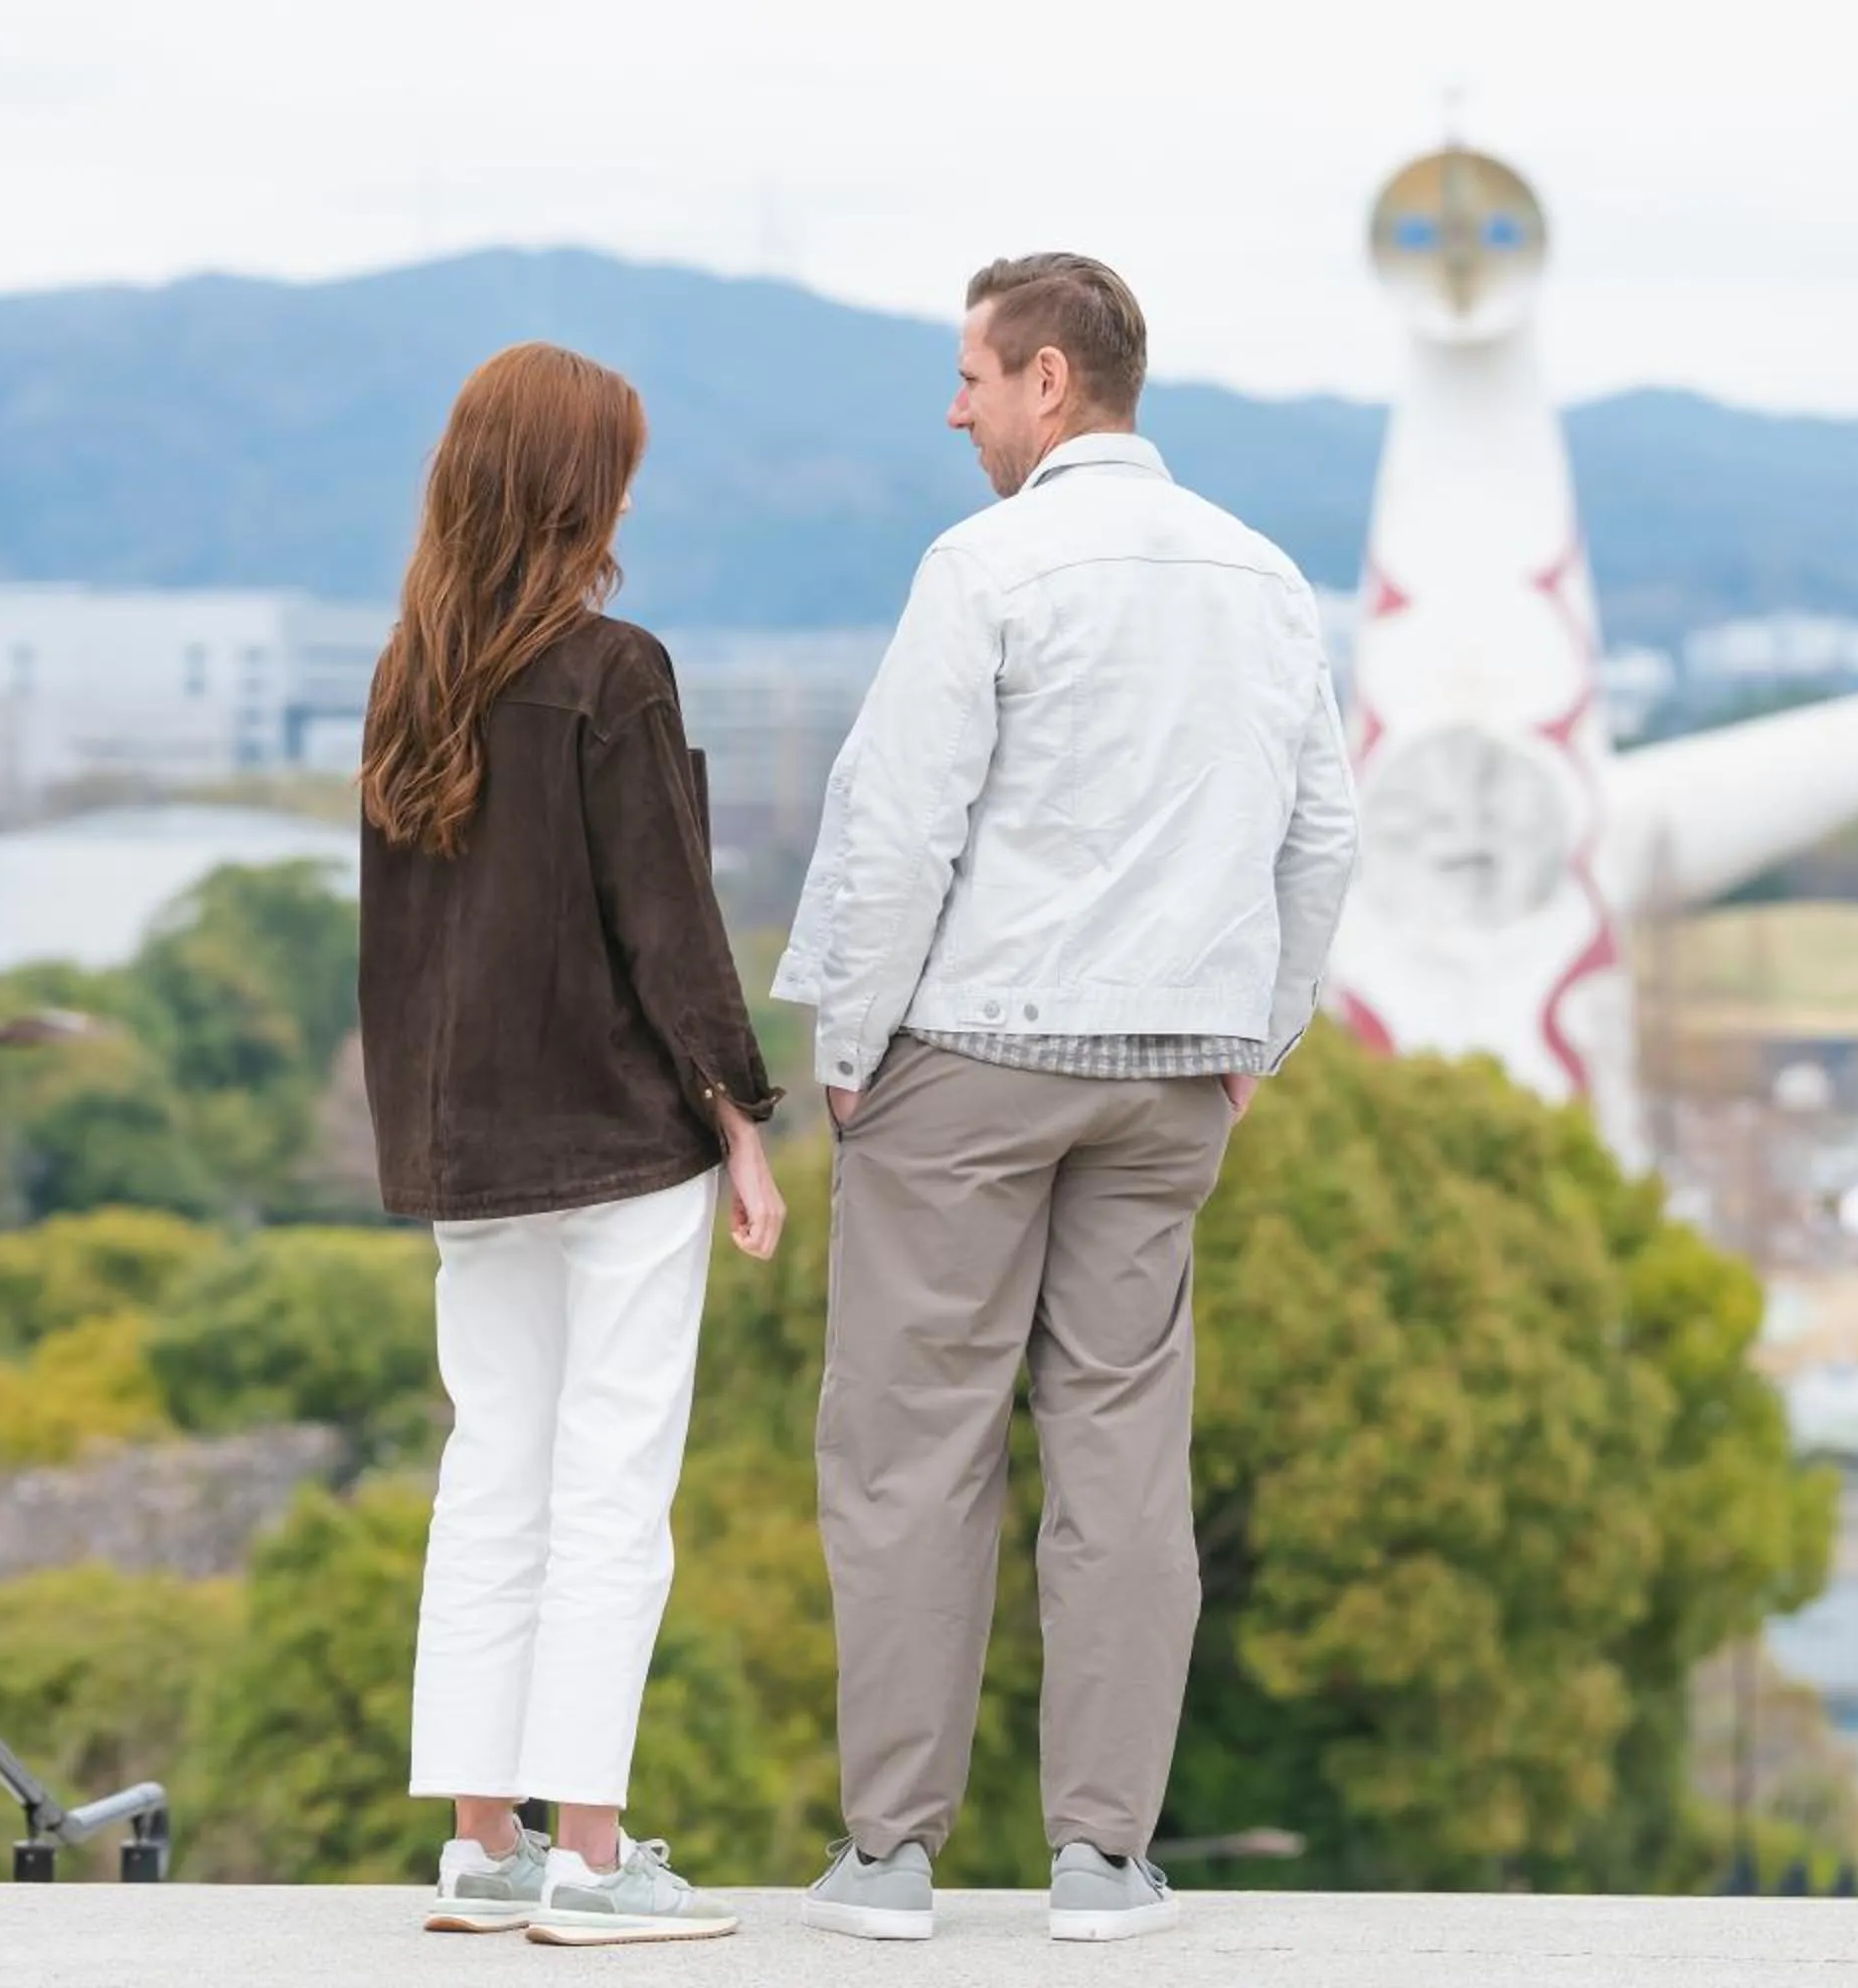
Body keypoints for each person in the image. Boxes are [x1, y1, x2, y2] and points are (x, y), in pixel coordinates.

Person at [772, 252, 1359, 1944]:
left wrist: (847, 1048)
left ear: (1049, 381)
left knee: (909, 1452)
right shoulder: (1265, 577)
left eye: (972, 374)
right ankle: (1103, 1859)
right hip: (1174, 1068)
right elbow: (1324, 837)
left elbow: (899, 825)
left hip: (975, 1049)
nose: (953, 408)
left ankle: (891, 1857)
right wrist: (1260, 1034)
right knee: (1122, 1454)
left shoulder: (986, 565)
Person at [358, 341, 785, 1946]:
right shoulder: (614, 670)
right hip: (616, 1138)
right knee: (611, 1486)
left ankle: (485, 1847)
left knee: (493, 1474)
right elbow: (667, 922)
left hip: (469, 1150)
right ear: (580, 485)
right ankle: (597, 1861)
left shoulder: (414, 672)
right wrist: (742, 1122)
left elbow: (396, 952)